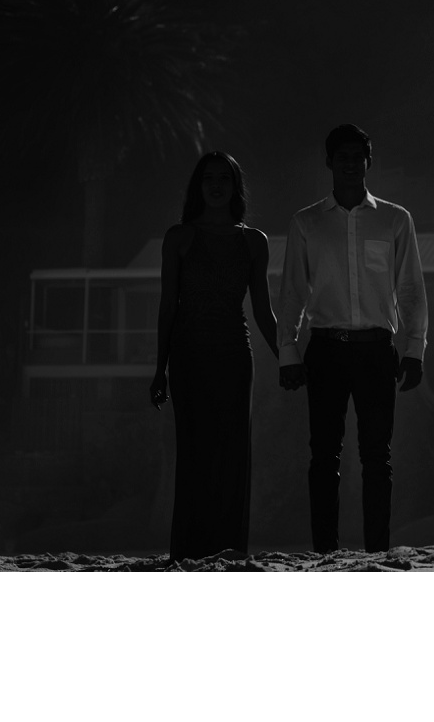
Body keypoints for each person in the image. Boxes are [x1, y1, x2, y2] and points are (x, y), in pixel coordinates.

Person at [276, 123, 427, 554]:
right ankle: (325, 550)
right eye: (341, 155)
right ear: (328, 162)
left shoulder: (396, 219)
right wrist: (288, 350)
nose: (349, 163)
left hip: (378, 348)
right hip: (324, 348)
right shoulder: (306, 223)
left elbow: (411, 288)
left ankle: (377, 551)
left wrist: (414, 348)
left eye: (356, 156)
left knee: (377, 457)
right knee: (323, 455)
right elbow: (292, 291)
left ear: (368, 162)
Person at [149, 151, 280, 561]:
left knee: (232, 454)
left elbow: (262, 310)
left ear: (236, 186)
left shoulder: (254, 242)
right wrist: (159, 370)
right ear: (198, 186)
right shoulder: (179, 237)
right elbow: (168, 303)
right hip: (187, 356)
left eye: (225, 177)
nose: (217, 184)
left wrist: (287, 357)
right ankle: (188, 552)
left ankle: (228, 550)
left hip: (234, 357)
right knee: (194, 452)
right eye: (209, 178)